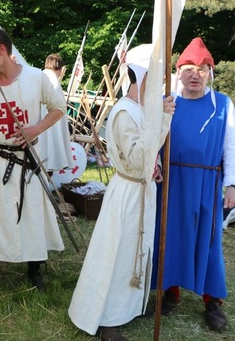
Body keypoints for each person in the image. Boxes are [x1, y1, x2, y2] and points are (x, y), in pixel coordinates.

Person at [68, 50, 174, 340]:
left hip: (143, 188)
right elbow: (137, 158)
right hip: (127, 192)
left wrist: (155, 168)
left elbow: (146, 156)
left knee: (135, 251)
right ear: (142, 76)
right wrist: (162, 122)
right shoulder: (125, 112)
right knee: (116, 252)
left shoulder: (143, 109)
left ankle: (126, 308)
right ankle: (105, 318)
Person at [0, 27, 66, 300]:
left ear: (3, 50)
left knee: (31, 215)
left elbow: (58, 108)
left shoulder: (34, 78)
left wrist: (35, 129)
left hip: (25, 162)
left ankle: (34, 270)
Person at [151, 37, 235, 333]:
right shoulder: (167, 103)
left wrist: (232, 184)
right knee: (170, 234)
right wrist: (156, 163)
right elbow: (154, 140)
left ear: (210, 72)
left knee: (208, 237)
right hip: (172, 181)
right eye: (188, 68)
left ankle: (212, 301)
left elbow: (231, 146)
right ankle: (169, 291)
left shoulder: (223, 104)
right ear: (178, 72)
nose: (194, 74)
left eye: (201, 68)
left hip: (206, 180)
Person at [37, 53, 73, 172]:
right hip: (49, 126)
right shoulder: (54, 81)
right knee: (49, 155)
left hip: (38, 126)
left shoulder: (38, 77)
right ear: (61, 69)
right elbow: (59, 111)